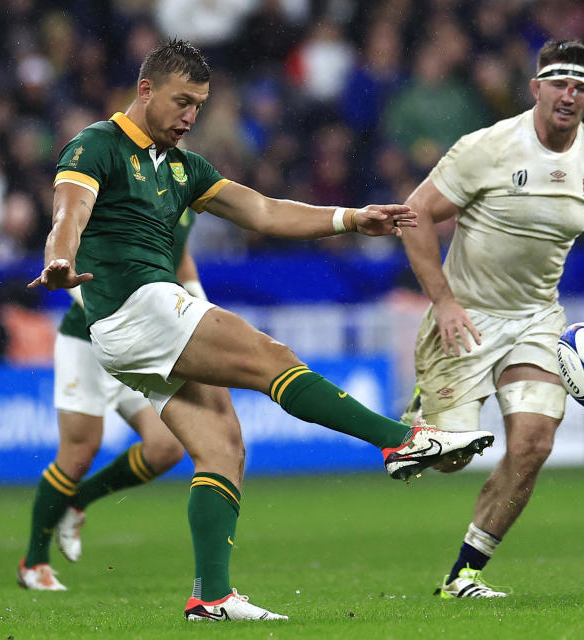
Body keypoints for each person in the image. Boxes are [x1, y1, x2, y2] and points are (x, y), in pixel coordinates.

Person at [26, 39, 494, 622]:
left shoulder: (183, 167)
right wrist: (60, 259)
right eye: (181, 101)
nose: (190, 116)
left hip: (131, 332)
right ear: (145, 90)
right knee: (271, 357)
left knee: (222, 447)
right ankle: (400, 441)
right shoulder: (97, 144)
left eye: (199, 104)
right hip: (134, 305)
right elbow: (68, 213)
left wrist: (350, 218)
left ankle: (211, 597)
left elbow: (265, 211)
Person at [399, 39, 584, 598]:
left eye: (582, 86)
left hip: (537, 318)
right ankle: (424, 416)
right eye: (559, 82)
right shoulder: (487, 148)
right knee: (446, 458)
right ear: (536, 87)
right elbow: (414, 215)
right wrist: (443, 301)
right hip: (466, 316)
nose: (570, 94)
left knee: (534, 443)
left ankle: (464, 575)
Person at [17, 210, 201, 591]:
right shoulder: (126, 188)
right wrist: (96, 303)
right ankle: (33, 562)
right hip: (88, 339)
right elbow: (70, 246)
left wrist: (200, 304)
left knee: (166, 448)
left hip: (138, 343)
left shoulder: (181, 190)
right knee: (80, 451)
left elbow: (179, 257)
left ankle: (77, 501)